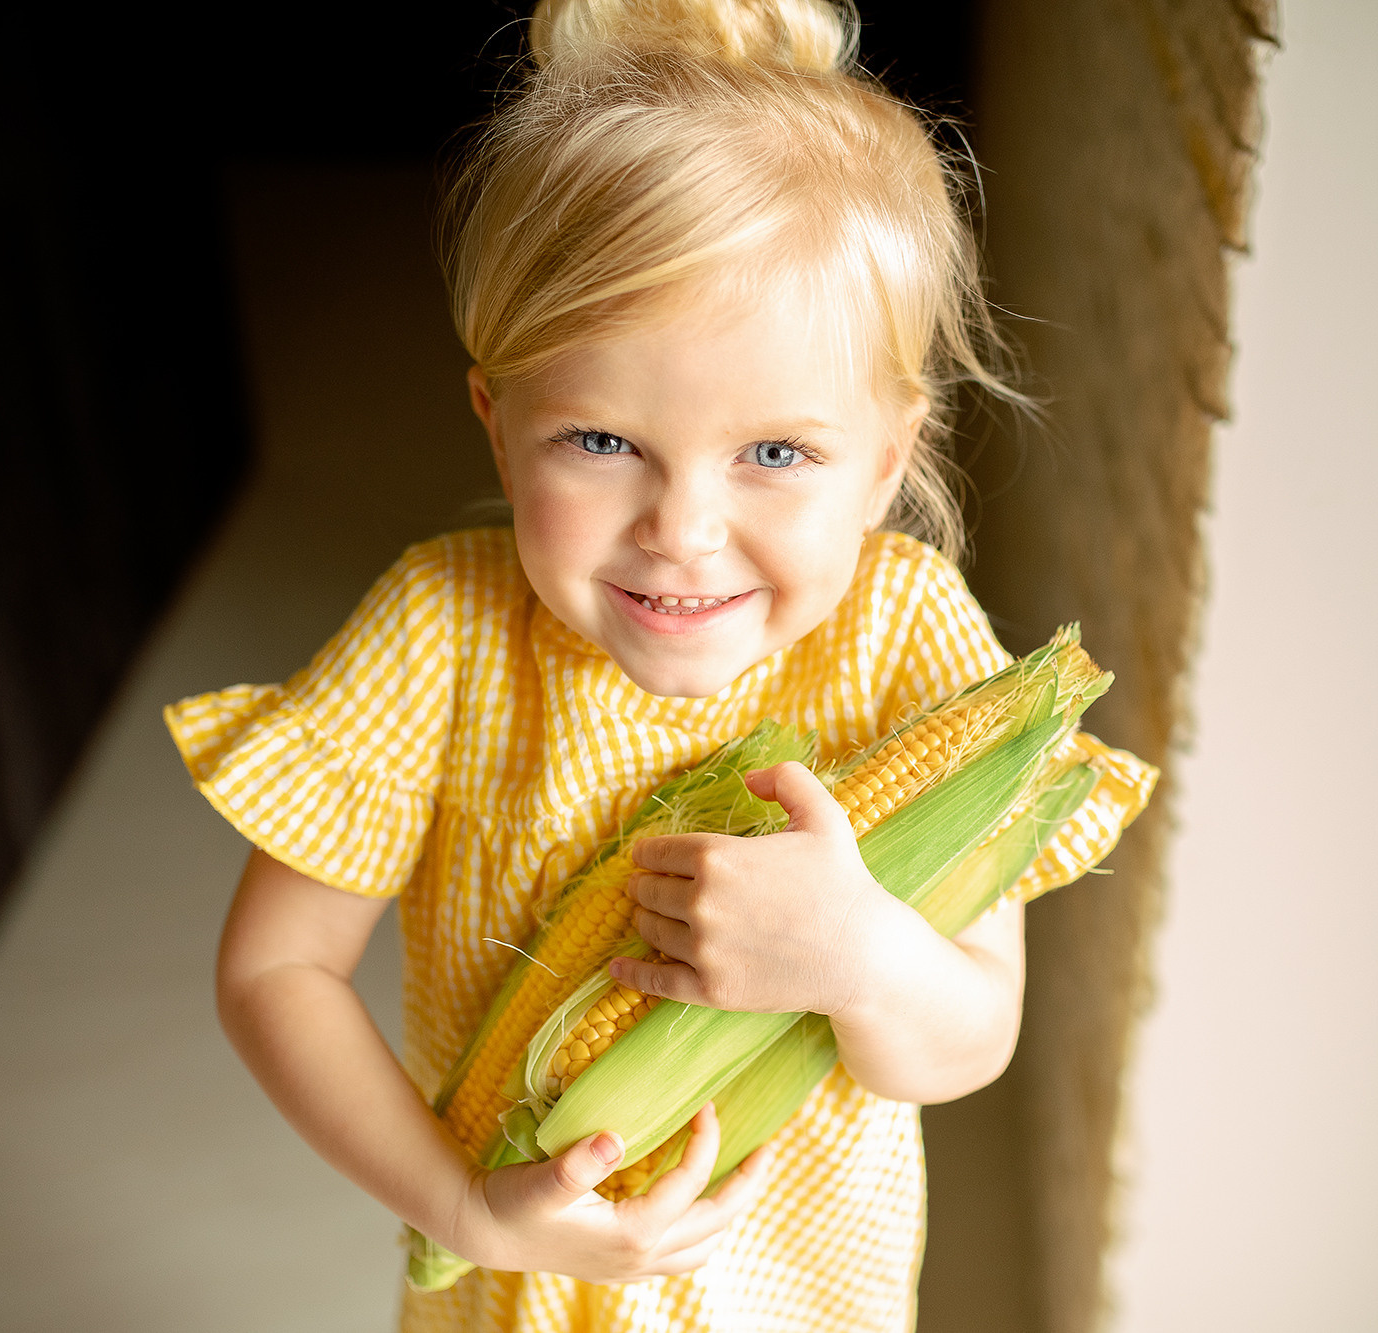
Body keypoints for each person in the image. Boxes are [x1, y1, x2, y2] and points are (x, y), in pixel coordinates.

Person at [168, 2, 1154, 1329]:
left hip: (801, 1299)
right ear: (497, 418)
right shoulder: (441, 636)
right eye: (599, 441)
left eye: (777, 454)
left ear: (886, 458)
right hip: (520, 1283)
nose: (682, 529)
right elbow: (272, 972)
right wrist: (459, 1207)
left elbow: (967, 1038)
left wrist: (858, 954)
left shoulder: (908, 639)